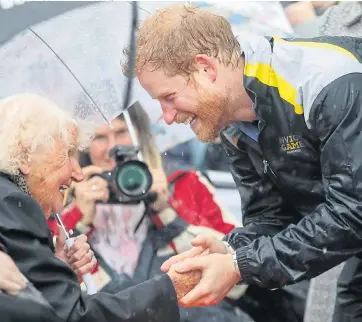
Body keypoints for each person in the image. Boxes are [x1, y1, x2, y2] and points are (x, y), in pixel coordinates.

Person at [123, 3, 362, 318]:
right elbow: (273, 215)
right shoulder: (228, 118)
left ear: (205, 68)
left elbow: (352, 213)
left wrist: (239, 265)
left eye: (169, 98)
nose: (168, 117)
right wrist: (231, 249)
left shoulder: (326, 80)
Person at [0, 93, 196, 322]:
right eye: (68, 153)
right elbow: (70, 316)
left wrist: (53, 265)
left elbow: (16, 298)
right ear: (25, 155)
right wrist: (170, 288)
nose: (78, 173)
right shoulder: (6, 203)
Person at [48, 101, 307, 322]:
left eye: (122, 132)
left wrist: (168, 212)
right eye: (99, 137)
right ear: (82, 146)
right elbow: (51, 281)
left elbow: (237, 265)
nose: (113, 148)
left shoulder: (183, 184)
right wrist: (76, 216)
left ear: (140, 134)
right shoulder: (59, 201)